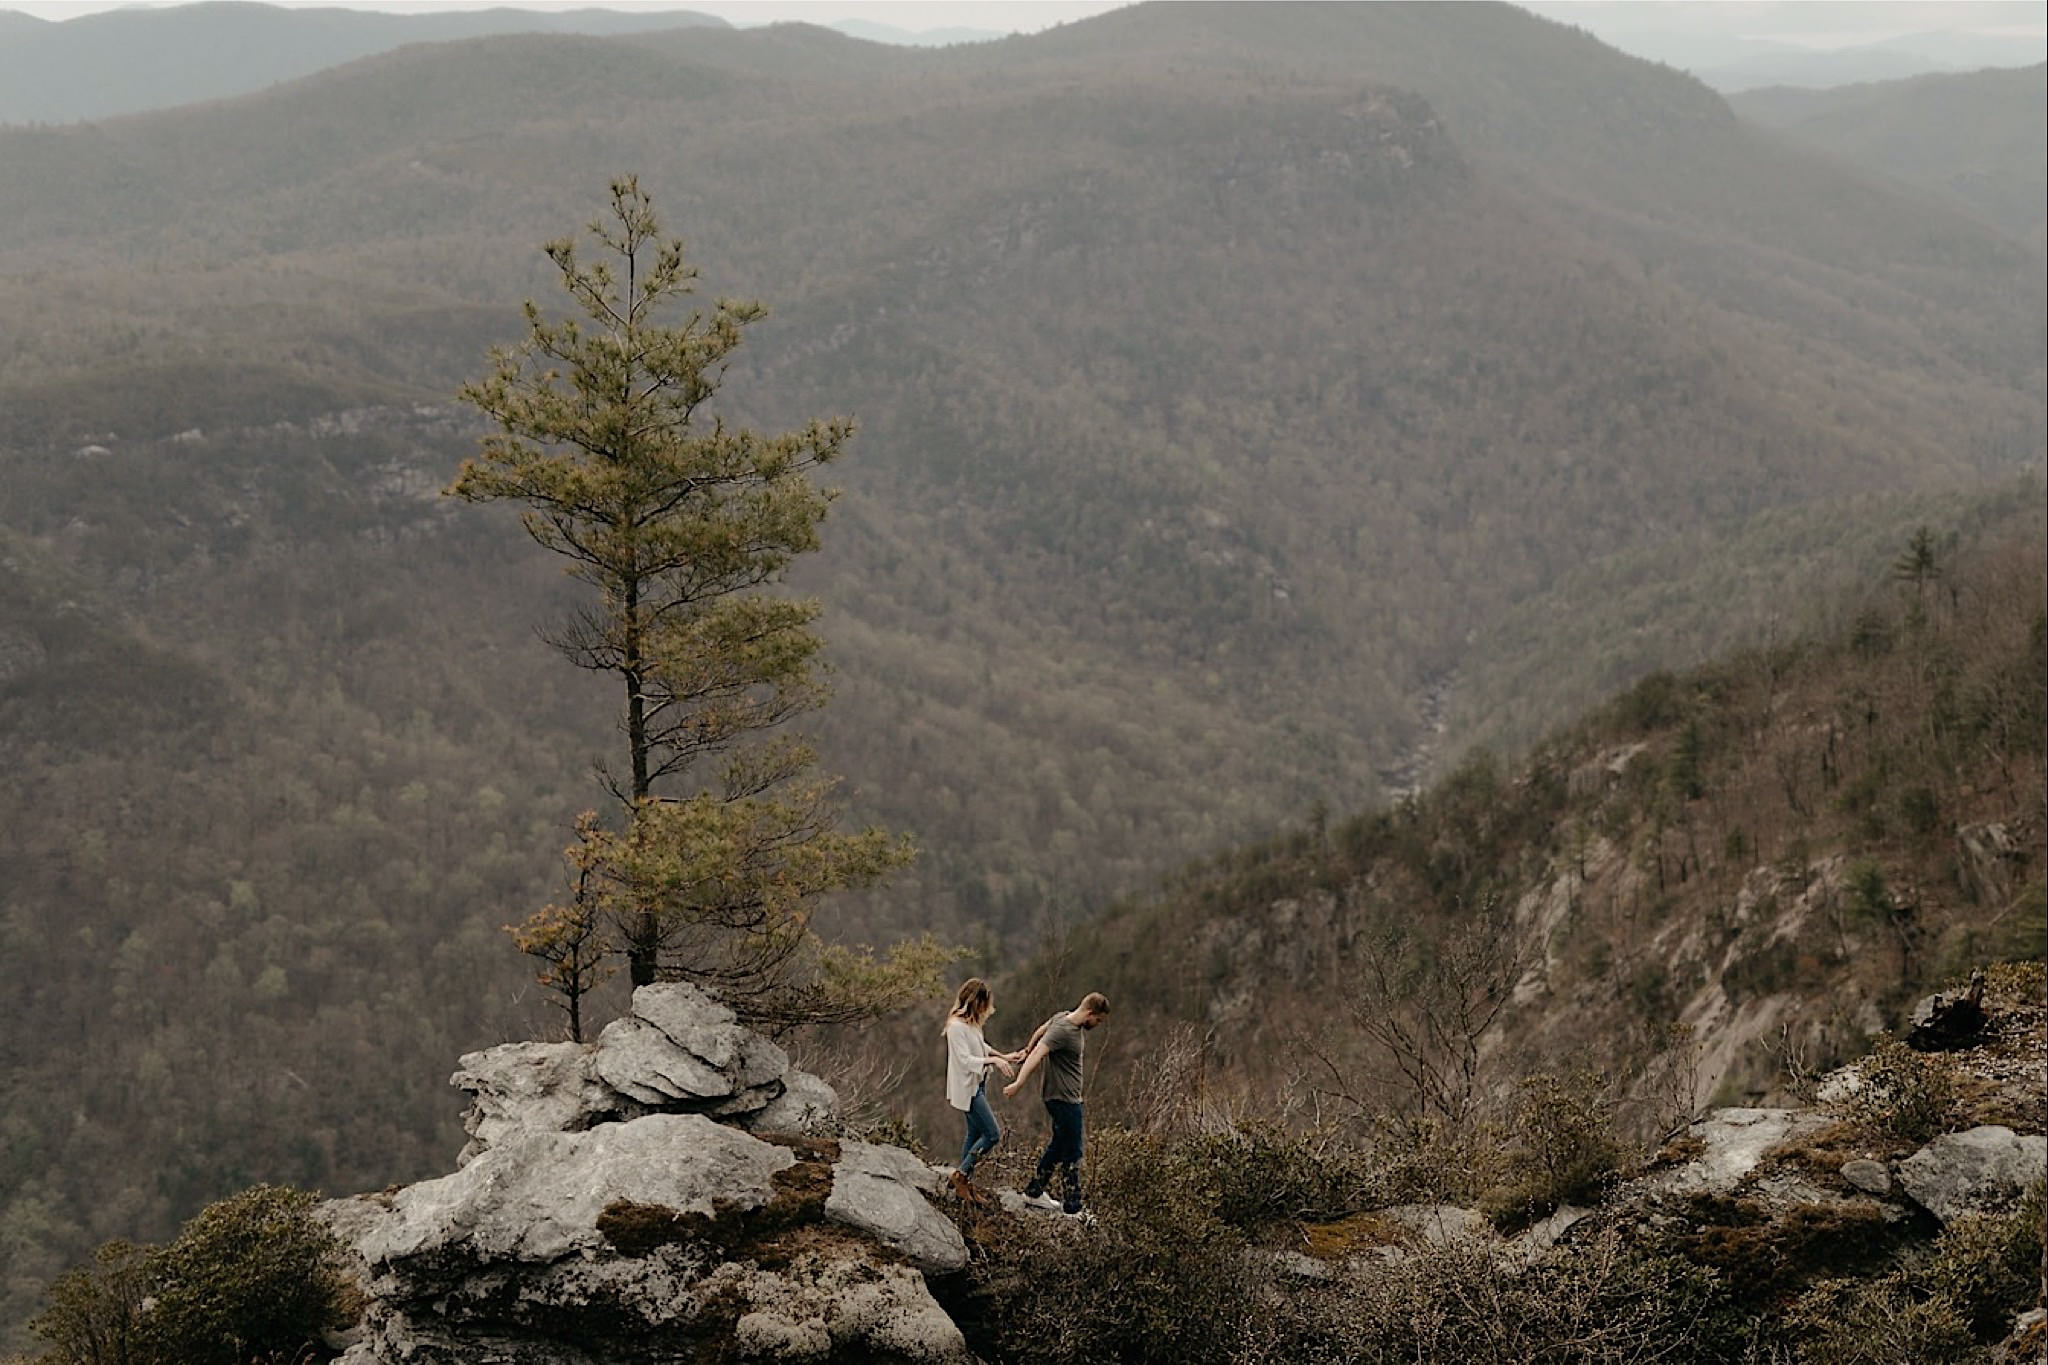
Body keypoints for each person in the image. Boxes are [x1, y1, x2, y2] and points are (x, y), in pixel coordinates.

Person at [1004, 991, 1110, 1216]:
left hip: (1066, 1098)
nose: (1097, 1025)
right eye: (1098, 1020)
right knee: (1073, 1151)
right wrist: (1019, 1082)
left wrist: (1026, 1048)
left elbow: (1040, 1031)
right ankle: (1073, 1207)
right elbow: (1039, 1053)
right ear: (1090, 1013)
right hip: (1064, 1100)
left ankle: (1034, 1191)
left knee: (1059, 1145)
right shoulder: (1063, 1030)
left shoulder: (1061, 1017)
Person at [942, 977, 1016, 1204]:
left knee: (974, 1134)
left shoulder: (971, 1025)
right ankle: (961, 1176)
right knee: (992, 1134)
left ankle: (963, 1186)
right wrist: (994, 1062)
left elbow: (980, 1046)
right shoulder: (956, 1026)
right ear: (976, 1002)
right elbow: (965, 1060)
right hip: (968, 1088)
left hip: (978, 1084)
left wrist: (1003, 1056)